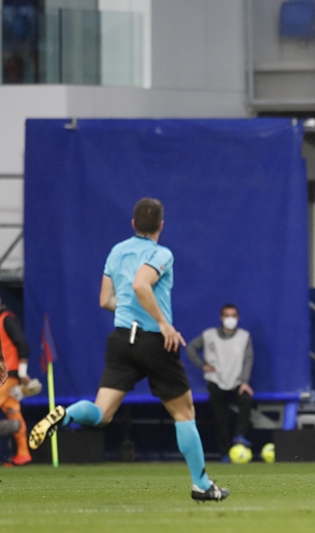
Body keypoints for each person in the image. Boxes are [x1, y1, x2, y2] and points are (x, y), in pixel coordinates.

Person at [28, 198, 229, 502]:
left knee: (101, 413)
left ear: (133, 224)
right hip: (153, 341)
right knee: (184, 412)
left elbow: (105, 300)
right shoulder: (161, 253)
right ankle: (201, 485)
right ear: (161, 225)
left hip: (122, 339)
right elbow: (141, 285)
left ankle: (66, 414)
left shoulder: (117, 251)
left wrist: (134, 313)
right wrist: (163, 324)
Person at [186, 304, 254, 462]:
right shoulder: (209, 335)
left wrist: (245, 381)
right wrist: (202, 365)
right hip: (215, 380)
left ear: (238, 318)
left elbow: (248, 359)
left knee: (246, 399)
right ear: (221, 317)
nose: (230, 319)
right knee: (219, 415)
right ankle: (224, 452)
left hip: (237, 380)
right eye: (226, 315)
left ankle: (239, 436)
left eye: (233, 315)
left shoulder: (244, 336)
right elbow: (190, 348)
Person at [0, 296, 33, 465]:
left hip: (7, 376)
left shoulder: (7, 319)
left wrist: (22, 373)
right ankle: (23, 454)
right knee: (13, 412)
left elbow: (23, 346)